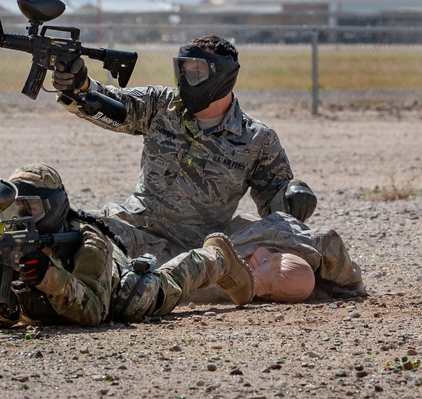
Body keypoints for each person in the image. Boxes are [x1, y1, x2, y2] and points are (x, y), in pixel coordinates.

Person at [51, 35, 366, 299]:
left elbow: (275, 208)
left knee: (304, 235)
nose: (187, 79)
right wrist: (79, 86)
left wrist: (292, 199)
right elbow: (113, 104)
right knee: (70, 232)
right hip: (136, 230)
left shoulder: (257, 138)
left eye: (197, 71)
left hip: (202, 247)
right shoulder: (162, 104)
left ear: (222, 77)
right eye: (182, 70)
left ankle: (350, 288)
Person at [0, 164, 255, 328]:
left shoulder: (88, 240)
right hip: (56, 305)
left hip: (113, 288)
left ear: (53, 208)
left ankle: (216, 258)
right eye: (16, 208)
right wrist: (1, 310)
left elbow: (95, 312)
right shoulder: (5, 243)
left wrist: (49, 278)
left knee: (140, 296)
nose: (23, 217)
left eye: (31, 208)